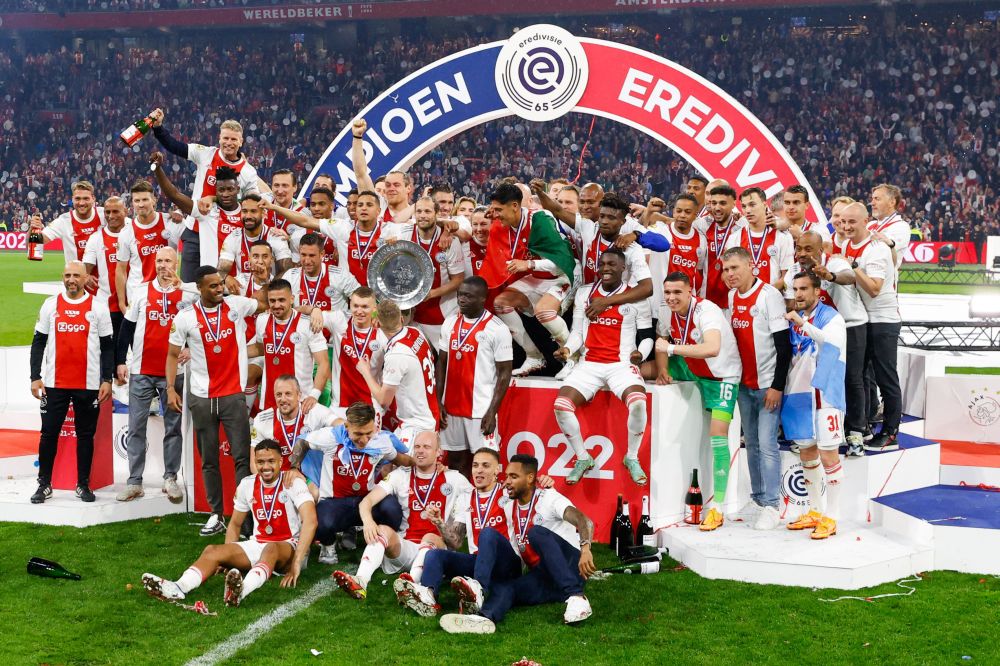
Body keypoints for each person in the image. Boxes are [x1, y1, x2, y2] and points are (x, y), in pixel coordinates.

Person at [141, 440, 316, 607]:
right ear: (254, 462)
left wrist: (297, 563)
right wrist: (228, 558)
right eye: (260, 462)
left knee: (271, 548)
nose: (265, 467)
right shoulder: (247, 485)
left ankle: (241, 591)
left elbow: (310, 521)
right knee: (212, 550)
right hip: (259, 543)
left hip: (289, 546)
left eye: (271, 461)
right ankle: (178, 587)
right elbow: (234, 524)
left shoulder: (293, 482)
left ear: (280, 461)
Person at [439, 453, 596, 634]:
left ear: (530, 478)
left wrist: (585, 549)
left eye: (514, 477)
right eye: (506, 476)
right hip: (544, 577)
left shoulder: (549, 498)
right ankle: (484, 618)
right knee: (507, 587)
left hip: (569, 567)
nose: (507, 482)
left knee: (536, 533)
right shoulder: (509, 505)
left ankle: (577, 597)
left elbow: (584, 521)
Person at [166, 266, 266, 535]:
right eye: (213, 286)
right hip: (202, 397)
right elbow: (173, 355)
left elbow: (265, 302)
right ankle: (215, 513)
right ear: (199, 288)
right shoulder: (186, 317)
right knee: (208, 458)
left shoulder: (236, 305)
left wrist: (263, 276)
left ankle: (244, 515)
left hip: (234, 395)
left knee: (242, 457)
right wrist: (170, 388)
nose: (220, 289)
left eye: (220, 284)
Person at [332, 431, 472, 600]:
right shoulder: (401, 475)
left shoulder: (455, 479)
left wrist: (443, 524)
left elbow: (459, 537)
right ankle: (361, 581)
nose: (420, 451)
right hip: (405, 548)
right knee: (382, 530)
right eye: (417, 447)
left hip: (436, 553)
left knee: (430, 536)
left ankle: (412, 585)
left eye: (427, 447)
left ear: (438, 453)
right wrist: (368, 521)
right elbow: (366, 502)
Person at [654, 272, 742, 531]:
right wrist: (662, 369)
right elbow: (662, 344)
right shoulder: (666, 311)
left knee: (717, 437)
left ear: (690, 291)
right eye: (667, 293)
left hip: (721, 376)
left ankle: (717, 508)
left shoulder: (707, 311)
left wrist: (670, 350)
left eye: (677, 293)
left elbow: (712, 348)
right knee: (641, 369)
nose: (671, 298)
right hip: (693, 367)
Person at [553, 249, 649, 485]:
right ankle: (583, 457)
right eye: (602, 264)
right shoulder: (585, 294)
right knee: (561, 406)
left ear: (623, 268)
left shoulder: (636, 297)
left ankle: (631, 456)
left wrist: (641, 353)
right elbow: (577, 332)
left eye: (612, 264)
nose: (606, 268)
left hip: (621, 365)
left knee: (637, 403)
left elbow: (647, 336)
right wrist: (568, 349)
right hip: (589, 365)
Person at [395, 447, 522, 617]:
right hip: (479, 563)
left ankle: (479, 590)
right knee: (435, 555)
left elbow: (530, 489)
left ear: (497, 470)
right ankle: (429, 597)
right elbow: (455, 542)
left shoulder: (509, 492)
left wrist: (544, 481)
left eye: (485, 466)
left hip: (507, 564)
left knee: (487, 533)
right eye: (475, 465)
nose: (479, 470)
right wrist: (440, 523)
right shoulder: (465, 498)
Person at [29, 260, 114, 504]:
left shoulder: (98, 307)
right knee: (48, 434)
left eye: (76, 275)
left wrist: (106, 379)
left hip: (87, 385)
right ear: (62, 277)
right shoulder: (50, 305)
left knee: (85, 435)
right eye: (67, 275)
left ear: (86, 278)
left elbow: (108, 346)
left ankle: (83, 484)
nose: (71, 280)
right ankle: (44, 484)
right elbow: (38, 342)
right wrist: (35, 377)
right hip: (55, 384)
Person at [288, 401, 411, 565]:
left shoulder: (380, 442)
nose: (364, 440)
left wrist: (426, 464)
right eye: (358, 434)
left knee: (392, 509)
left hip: (365, 501)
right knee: (320, 522)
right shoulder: (331, 437)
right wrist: (294, 467)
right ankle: (328, 544)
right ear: (346, 426)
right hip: (335, 502)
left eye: (369, 433)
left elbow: (401, 459)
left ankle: (381, 543)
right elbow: (302, 442)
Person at [721, 247, 791, 530]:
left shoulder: (769, 296)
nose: (730, 275)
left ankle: (773, 506)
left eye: (735, 268)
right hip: (743, 385)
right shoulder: (731, 296)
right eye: (726, 270)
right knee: (750, 445)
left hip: (766, 386)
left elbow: (783, 346)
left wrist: (777, 385)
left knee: (767, 445)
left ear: (751, 265)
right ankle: (760, 498)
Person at [115, 247, 191, 503]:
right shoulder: (142, 290)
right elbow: (127, 328)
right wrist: (119, 362)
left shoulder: (188, 293)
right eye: (159, 260)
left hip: (174, 374)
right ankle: (134, 481)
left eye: (168, 260)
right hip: (141, 371)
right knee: (136, 427)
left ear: (176, 263)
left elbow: (200, 327)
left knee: (173, 428)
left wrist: (190, 348)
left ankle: (170, 478)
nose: (163, 265)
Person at [149, 111, 261, 281]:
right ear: (219, 138)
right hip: (195, 228)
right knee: (188, 286)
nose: (229, 143)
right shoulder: (206, 154)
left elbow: (251, 203)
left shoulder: (248, 172)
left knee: (217, 283)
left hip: (224, 233)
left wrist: (213, 198)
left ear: (241, 142)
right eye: (226, 138)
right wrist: (158, 128)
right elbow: (175, 146)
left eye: (233, 139)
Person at [479, 183, 576, 377]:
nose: (495, 215)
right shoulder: (507, 224)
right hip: (539, 276)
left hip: (562, 275)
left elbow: (562, 262)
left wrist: (529, 265)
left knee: (544, 312)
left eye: (499, 210)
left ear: (515, 206)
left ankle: (574, 359)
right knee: (501, 303)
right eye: (493, 209)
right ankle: (533, 356)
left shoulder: (540, 219)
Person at [787, 231, 869, 457]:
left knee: (852, 378)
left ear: (820, 252)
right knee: (810, 377)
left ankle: (855, 434)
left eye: (808, 249)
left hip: (849, 325)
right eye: (799, 248)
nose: (802, 254)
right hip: (813, 327)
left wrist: (830, 276)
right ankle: (809, 431)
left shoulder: (835, 262)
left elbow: (849, 277)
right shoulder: (795, 272)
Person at [782, 273, 848, 540]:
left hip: (824, 393)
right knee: (807, 452)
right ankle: (814, 510)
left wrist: (803, 324)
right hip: (799, 393)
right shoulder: (794, 318)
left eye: (804, 289)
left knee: (829, 454)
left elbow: (830, 343)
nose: (798, 294)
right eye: (795, 289)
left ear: (818, 292)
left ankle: (832, 516)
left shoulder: (832, 317)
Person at [840, 202, 902, 452]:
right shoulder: (846, 244)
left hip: (884, 321)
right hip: (864, 319)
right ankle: (861, 427)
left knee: (886, 377)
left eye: (852, 222)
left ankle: (890, 432)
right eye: (843, 222)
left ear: (866, 221)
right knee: (860, 375)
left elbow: (874, 289)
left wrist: (852, 266)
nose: (846, 227)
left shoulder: (876, 249)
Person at [436, 276, 513, 476]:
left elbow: (505, 373)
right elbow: (442, 362)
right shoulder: (450, 323)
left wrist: (492, 411)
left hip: (480, 410)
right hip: (451, 409)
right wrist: (438, 400)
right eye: (460, 295)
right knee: (455, 463)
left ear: (482, 299)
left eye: (468, 296)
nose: (461, 300)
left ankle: (486, 506)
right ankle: (461, 506)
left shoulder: (497, 329)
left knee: (486, 466)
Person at [263, 188, 386, 287]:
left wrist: (395, 245)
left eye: (369, 205)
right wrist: (274, 207)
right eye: (360, 205)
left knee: (376, 316)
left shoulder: (390, 231)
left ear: (378, 211)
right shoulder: (342, 227)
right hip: (347, 292)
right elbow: (305, 221)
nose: (363, 208)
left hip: (378, 292)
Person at [359, 299, 439, 449]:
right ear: (401, 319)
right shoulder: (416, 332)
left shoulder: (397, 355)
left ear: (379, 324)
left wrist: (365, 372)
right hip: (428, 413)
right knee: (388, 465)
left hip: (417, 425)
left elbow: (384, 400)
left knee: (403, 468)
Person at [391, 196, 466, 345]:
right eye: (419, 211)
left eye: (427, 211)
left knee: (445, 363)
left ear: (436, 214)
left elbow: (458, 280)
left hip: (442, 314)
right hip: (410, 315)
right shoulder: (404, 233)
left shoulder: (450, 241)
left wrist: (431, 294)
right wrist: (388, 244)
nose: (422, 215)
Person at [251, 278, 329, 412]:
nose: (276, 305)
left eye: (281, 300)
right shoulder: (262, 320)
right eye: (272, 301)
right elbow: (260, 348)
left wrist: (314, 396)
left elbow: (324, 363)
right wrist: (232, 349)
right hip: (269, 400)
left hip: (301, 402)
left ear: (292, 299)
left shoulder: (308, 324)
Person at [250, 375, 343, 471]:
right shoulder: (262, 419)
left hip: (310, 479)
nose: (283, 399)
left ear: (299, 395)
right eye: (279, 395)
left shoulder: (313, 411)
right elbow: (254, 462)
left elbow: (339, 424)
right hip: (279, 479)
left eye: (288, 394)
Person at [115, 180, 183, 310]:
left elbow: (195, 240)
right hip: (138, 297)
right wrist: (122, 304)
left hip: (168, 294)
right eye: (137, 201)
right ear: (132, 203)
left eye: (145, 200)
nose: (141, 205)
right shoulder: (126, 232)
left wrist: (181, 212)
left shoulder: (171, 222)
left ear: (154, 200)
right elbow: (121, 270)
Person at [320, 287, 387, 409]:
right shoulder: (339, 320)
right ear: (350, 305)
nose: (359, 311)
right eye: (355, 306)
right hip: (340, 406)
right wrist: (314, 310)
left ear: (374, 309)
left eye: (365, 307)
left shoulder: (382, 333)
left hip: (370, 407)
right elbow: (307, 317)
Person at [726, 188, 793, 290]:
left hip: (772, 301)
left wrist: (764, 295)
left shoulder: (783, 237)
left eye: (752, 205)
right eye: (744, 206)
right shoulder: (734, 238)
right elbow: (728, 273)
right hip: (743, 300)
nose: (747, 210)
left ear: (765, 205)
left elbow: (787, 276)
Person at [218, 193, 292, 284]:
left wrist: (267, 289)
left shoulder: (275, 236)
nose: (248, 216)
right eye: (244, 211)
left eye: (253, 211)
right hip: (244, 291)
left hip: (271, 288)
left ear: (263, 213)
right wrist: (226, 278)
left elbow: (287, 272)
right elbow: (221, 270)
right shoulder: (233, 238)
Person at [83, 196, 129, 341]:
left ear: (126, 211)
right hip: (107, 306)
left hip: (136, 303)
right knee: (110, 354)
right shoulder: (96, 238)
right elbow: (86, 269)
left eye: (116, 211)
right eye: (107, 212)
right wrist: (85, 275)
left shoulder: (135, 231)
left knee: (141, 352)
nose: (111, 216)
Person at [28, 180, 105, 266]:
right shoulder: (64, 221)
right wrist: (32, 229)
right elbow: (34, 242)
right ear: (72, 199)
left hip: (103, 278)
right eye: (77, 198)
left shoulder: (105, 215)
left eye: (86, 198)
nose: (82, 203)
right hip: (76, 278)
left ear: (93, 199)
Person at [284, 233, 360, 316]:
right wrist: (303, 310)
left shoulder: (340, 276)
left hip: (333, 329)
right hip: (301, 328)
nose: (307, 261)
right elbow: (281, 311)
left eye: (312, 255)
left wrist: (374, 315)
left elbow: (364, 301)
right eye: (303, 255)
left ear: (322, 254)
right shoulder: (290, 276)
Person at [695, 184, 746, 308]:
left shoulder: (743, 226)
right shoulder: (702, 225)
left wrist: (780, 223)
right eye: (714, 203)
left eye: (723, 203)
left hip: (734, 301)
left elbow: (772, 222)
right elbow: (679, 222)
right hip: (707, 300)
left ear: (734, 204)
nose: (717, 208)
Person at [868, 183, 911, 269]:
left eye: (877, 199)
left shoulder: (901, 226)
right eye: (872, 199)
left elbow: (881, 252)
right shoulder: (870, 224)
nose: (872, 203)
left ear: (892, 202)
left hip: (883, 280)